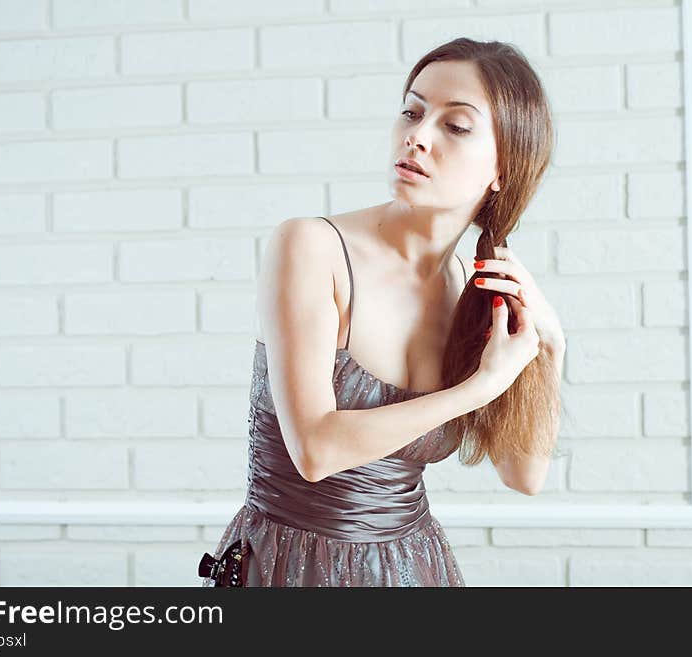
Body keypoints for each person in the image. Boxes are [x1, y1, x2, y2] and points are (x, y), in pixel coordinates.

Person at [200, 38, 566, 587]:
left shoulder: (477, 290)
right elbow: (315, 450)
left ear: (503, 169)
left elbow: (525, 475)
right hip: (289, 570)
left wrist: (553, 347)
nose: (417, 136)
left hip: (412, 570)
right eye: (412, 112)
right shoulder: (312, 247)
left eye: (455, 126)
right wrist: (480, 387)